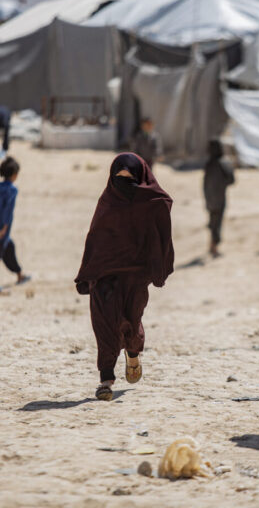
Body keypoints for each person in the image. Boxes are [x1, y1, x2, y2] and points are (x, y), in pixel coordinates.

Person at [74, 153, 174, 401]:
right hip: (105, 274)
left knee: (131, 319)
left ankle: (133, 352)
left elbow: (161, 234)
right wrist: (88, 271)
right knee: (105, 323)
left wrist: (158, 267)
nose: (123, 185)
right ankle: (106, 379)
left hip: (136, 274)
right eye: (119, 179)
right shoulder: (108, 201)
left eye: (129, 180)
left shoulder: (152, 202)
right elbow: (95, 237)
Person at [0, 157, 30, 293]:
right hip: (2, 228)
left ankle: (19, 274)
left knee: (9, 247)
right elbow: (8, 211)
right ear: (14, 174)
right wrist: (4, 228)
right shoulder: (11, 190)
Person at [203, 139, 235, 258]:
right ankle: (214, 247)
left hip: (209, 199)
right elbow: (231, 180)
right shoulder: (223, 163)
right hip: (220, 198)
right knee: (217, 223)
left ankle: (212, 245)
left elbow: (204, 183)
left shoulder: (208, 164)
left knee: (213, 222)